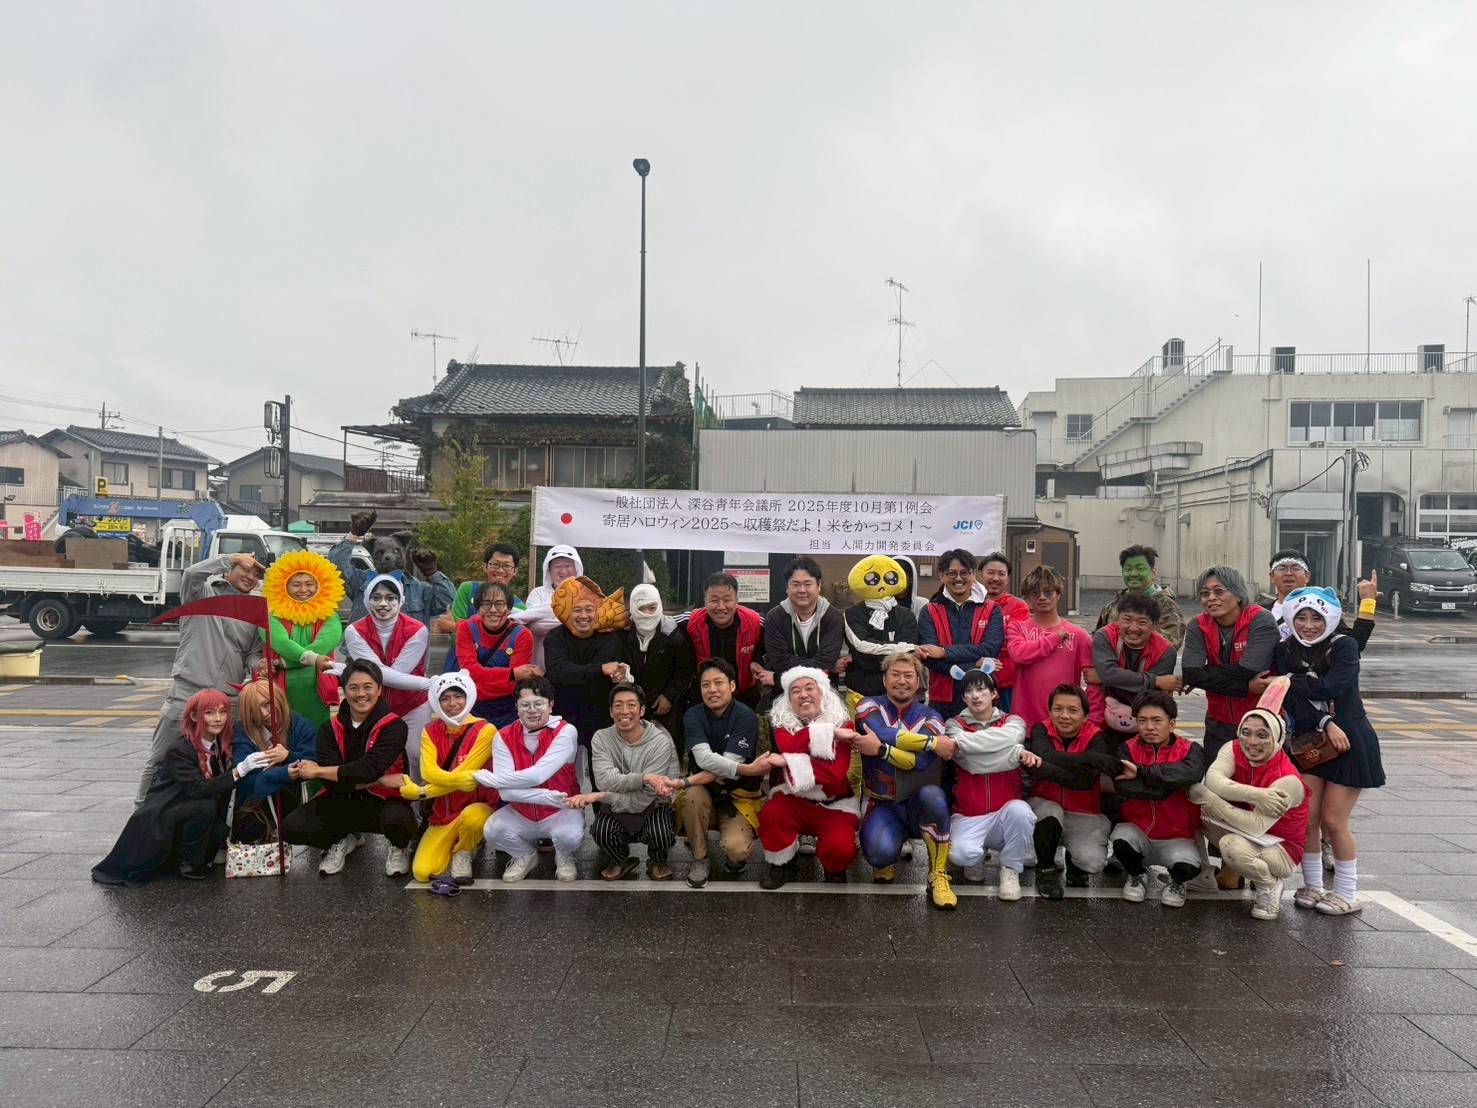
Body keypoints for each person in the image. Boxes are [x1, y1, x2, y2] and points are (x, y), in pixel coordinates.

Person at [1275, 587, 1385, 916]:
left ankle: (1347, 892)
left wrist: (1289, 679)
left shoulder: (1344, 645)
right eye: (1301, 618)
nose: (1309, 625)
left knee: (1333, 820)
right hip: (1311, 740)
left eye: (1317, 618)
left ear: (1331, 618)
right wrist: (1324, 720)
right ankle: (1312, 885)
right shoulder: (1284, 649)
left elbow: (1332, 686)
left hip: (1349, 739)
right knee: (1307, 819)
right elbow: (1291, 700)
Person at [95, 691, 265, 885]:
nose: (218, 719)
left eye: (223, 712)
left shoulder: (220, 743)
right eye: (209, 713)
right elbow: (198, 789)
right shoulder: (181, 749)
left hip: (189, 809)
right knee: (205, 806)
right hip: (165, 811)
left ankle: (191, 858)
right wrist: (239, 771)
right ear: (194, 716)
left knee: (219, 825)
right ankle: (189, 865)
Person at [135, 552, 265, 804]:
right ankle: (141, 811)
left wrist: (258, 666)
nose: (251, 576)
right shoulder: (201, 594)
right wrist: (230, 557)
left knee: (222, 761)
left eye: (257, 573)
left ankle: (212, 816)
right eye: (245, 569)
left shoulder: (254, 610)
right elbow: (192, 573)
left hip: (227, 700)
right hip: (187, 692)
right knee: (159, 758)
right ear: (229, 569)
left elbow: (252, 654)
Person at [281, 659, 418, 877]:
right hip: (341, 799)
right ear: (344, 690)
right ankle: (341, 838)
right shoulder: (328, 728)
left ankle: (398, 846)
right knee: (291, 827)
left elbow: (368, 769)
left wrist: (318, 771)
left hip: (384, 800)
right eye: (353, 687)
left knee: (399, 822)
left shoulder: (395, 726)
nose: (361, 694)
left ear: (379, 689)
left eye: (367, 687)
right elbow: (332, 784)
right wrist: (380, 779)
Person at [1190, 686, 1309, 922]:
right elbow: (1213, 779)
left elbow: (1255, 826)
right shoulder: (1233, 748)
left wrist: (1212, 801)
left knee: (1231, 846)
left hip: (1281, 849)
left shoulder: (1287, 780)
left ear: (1277, 739)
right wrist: (1257, 795)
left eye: (1262, 735)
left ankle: (1269, 886)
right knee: (1189, 807)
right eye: (1246, 732)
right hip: (1247, 832)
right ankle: (1203, 875)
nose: (1252, 741)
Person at [854, 652, 954, 907]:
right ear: (884, 679)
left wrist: (881, 750)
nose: (901, 681)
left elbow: (919, 763)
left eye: (908, 675)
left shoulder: (933, 716)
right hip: (883, 803)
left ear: (918, 681)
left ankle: (938, 874)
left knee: (934, 797)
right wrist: (932, 743)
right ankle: (891, 851)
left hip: (917, 804)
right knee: (879, 856)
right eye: (895, 675)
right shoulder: (867, 705)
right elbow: (880, 731)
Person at [935, 668, 1037, 902]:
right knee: (961, 856)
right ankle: (977, 855)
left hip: (1004, 813)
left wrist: (975, 747)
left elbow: (1010, 737)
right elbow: (969, 762)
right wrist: (1014, 754)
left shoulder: (1013, 721)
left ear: (994, 694)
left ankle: (1010, 869)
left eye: (981, 689)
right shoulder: (953, 724)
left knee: (1021, 812)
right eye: (969, 691)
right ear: (963, 698)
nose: (975, 696)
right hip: (968, 814)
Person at [756, 667, 860, 889]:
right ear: (789, 699)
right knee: (771, 814)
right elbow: (789, 745)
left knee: (841, 847)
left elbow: (834, 774)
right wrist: (830, 733)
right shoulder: (783, 723)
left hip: (834, 804)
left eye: (809, 688)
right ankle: (782, 864)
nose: (803, 694)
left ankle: (834, 869)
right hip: (793, 799)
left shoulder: (844, 724)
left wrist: (787, 761)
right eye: (795, 691)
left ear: (822, 692)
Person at [567, 683, 682, 881]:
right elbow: (604, 780)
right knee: (601, 832)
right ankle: (619, 860)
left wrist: (601, 796)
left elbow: (647, 796)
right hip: (616, 807)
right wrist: (643, 778)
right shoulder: (601, 738)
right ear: (611, 712)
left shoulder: (660, 741)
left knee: (662, 833)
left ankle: (657, 860)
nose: (624, 711)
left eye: (631, 705)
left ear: (642, 710)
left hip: (652, 804)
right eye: (618, 705)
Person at [475, 677, 584, 883]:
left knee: (569, 837)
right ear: (516, 707)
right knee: (493, 831)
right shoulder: (503, 736)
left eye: (538, 704)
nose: (532, 710)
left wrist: (496, 780)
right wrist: (545, 796)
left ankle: (564, 855)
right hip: (523, 810)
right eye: (525, 705)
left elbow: (538, 774)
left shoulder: (566, 731)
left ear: (550, 705)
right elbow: (506, 793)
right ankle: (524, 855)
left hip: (560, 809)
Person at [397, 671, 499, 885]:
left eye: (458, 696)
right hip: (442, 812)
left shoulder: (486, 730)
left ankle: (465, 849)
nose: (452, 703)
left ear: (469, 695)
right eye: (444, 698)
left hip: (477, 806)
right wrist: (456, 781)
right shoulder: (429, 730)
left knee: (473, 819)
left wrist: (421, 792)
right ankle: (456, 842)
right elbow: (430, 773)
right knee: (422, 872)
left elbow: (467, 774)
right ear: (436, 701)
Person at [1109, 689, 1206, 908]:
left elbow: (1190, 774)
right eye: (1142, 720)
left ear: (1171, 724)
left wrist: (1142, 773)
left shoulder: (1191, 750)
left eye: (1157, 720)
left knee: (1188, 867)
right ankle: (1137, 875)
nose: (1149, 727)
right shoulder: (1126, 749)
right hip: (1137, 831)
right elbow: (1124, 786)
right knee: (1120, 840)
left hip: (1177, 836)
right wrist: (1169, 787)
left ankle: (1177, 883)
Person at [1026, 684, 1120, 899]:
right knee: (1050, 812)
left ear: (1086, 716)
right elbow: (1043, 758)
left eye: (1073, 710)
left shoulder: (1097, 736)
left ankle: (1075, 864)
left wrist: (1048, 767)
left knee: (1091, 862)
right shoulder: (1041, 728)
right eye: (1058, 709)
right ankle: (1045, 869)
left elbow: (1085, 782)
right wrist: (1089, 758)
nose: (1064, 716)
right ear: (1050, 711)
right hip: (1046, 806)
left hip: (1084, 812)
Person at [679, 658, 767, 887]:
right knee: (691, 796)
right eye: (705, 685)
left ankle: (733, 849)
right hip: (704, 793)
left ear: (732, 686)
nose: (712, 689)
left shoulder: (745, 716)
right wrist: (746, 769)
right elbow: (703, 759)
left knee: (736, 850)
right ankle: (700, 858)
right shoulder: (693, 715)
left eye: (718, 683)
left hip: (737, 798)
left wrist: (685, 781)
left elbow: (727, 766)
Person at [1181, 565, 1279, 763]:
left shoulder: (1260, 619)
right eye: (1205, 593)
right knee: (1216, 778)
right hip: (1218, 721)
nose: (1211, 598)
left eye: (1219, 591)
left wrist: (1202, 675)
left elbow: (1247, 669)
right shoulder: (1197, 625)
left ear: (1238, 594)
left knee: (1262, 779)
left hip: (1262, 721)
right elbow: (1190, 674)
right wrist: (1246, 687)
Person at [341, 575, 433, 782]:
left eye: (390, 598)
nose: (383, 604)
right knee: (372, 756)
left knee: (416, 755)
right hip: (372, 706)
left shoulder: (418, 630)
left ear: (400, 600)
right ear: (367, 600)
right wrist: (426, 683)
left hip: (413, 705)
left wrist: (346, 670)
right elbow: (377, 674)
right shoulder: (354, 631)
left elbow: (393, 672)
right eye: (376, 597)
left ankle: (418, 800)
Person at [262, 550, 346, 729]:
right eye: (296, 584)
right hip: (280, 691)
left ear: (319, 584)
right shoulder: (270, 614)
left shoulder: (329, 615)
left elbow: (323, 645)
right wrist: (313, 659)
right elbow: (280, 643)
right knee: (282, 732)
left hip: (317, 692)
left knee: (318, 735)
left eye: (309, 584)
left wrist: (284, 663)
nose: (303, 590)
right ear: (283, 585)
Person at [543, 575, 627, 751]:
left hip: (599, 717)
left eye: (589, 610)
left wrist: (589, 672)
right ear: (567, 612)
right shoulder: (555, 637)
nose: (583, 616)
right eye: (576, 610)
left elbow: (597, 678)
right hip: (561, 716)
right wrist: (600, 669)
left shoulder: (610, 639)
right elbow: (557, 672)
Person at [918, 549, 1005, 719]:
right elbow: (928, 656)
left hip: (983, 697)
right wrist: (974, 664)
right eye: (952, 573)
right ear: (941, 576)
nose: (958, 578)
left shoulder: (992, 609)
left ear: (974, 574)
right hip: (942, 700)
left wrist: (944, 652)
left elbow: (990, 649)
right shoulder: (929, 610)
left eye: (965, 573)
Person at [1090, 591, 1180, 754]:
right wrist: (1155, 681)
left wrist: (1106, 679)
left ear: (1154, 625)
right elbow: (1109, 675)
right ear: (1118, 620)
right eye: (1127, 620)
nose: (1133, 628)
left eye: (1142, 622)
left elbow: (1150, 697)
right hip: (1102, 719)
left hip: (1144, 724)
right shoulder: (1104, 636)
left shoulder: (1166, 651)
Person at [1006, 565, 1093, 730]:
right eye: (1035, 593)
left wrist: (1092, 719)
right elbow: (1019, 655)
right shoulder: (1017, 628)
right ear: (1028, 598)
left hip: (1064, 724)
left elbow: (1093, 681)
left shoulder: (1079, 635)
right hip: (1024, 723)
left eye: (1048, 592)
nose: (1042, 597)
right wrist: (1054, 638)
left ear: (1058, 594)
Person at [330, 511, 444, 625]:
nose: (388, 556)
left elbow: (445, 602)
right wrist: (353, 535)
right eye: (380, 552)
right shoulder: (360, 583)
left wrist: (432, 573)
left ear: (403, 553)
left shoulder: (420, 589)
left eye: (395, 551)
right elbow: (336, 565)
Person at [229, 679, 317, 822]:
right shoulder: (243, 732)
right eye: (254, 709)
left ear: (279, 698)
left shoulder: (302, 726)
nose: (264, 714)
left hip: (293, 804)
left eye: (267, 704)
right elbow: (245, 780)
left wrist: (288, 756)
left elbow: (313, 766)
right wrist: (283, 773)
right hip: (254, 807)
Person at [679, 572, 768, 711]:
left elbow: (774, 646)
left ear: (736, 601)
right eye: (714, 601)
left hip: (745, 696)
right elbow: (661, 622)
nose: (721, 607)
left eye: (727, 600)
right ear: (705, 601)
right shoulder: (691, 621)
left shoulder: (756, 622)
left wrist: (758, 660)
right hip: (705, 697)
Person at [455, 581, 538, 727]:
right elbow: (469, 671)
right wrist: (512, 674)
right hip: (472, 707)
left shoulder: (522, 635)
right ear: (477, 608)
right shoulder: (466, 628)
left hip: (509, 708)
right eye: (486, 604)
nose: (493, 610)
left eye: (499, 604)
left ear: (509, 608)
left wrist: (478, 683)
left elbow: (513, 685)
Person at [841, 555, 920, 701]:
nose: (881, 584)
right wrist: (901, 648)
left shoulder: (906, 615)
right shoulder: (852, 613)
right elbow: (862, 646)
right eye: (872, 578)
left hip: (898, 694)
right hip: (860, 691)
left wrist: (864, 657)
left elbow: (906, 656)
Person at [435, 542, 525, 667]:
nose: (500, 570)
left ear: (515, 571)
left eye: (506, 566)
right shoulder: (467, 589)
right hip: (458, 665)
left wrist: (453, 626)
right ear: (485, 566)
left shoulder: (519, 607)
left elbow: (509, 641)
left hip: (495, 669)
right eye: (495, 564)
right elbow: (456, 637)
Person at [1266, 549, 1376, 650]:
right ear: (1272, 576)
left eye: (1296, 568)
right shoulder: (1261, 613)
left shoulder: (1323, 609)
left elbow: (1355, 644)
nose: (1288, 573)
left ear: (1307, 576)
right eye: (1281, 568)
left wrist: (1368, 602)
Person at [622, 583, 692, 742]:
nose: (647, 614)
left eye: (652, 608)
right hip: (630, 706)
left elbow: (684, 670)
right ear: (633, 608)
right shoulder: (622, 634)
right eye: (641, 609)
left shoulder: (673, 635)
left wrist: (669, 696)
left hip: (665, 709)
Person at [764, 556, 845, 683]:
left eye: (808, 584)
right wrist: (823, 666)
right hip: (785, 688)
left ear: (819, 585)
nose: (802, 590)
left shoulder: (833, 617)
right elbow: (779, 662)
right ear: (787, 587)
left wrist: (777, 676)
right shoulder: (774, 617)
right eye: (795, 584)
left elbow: (826, 661)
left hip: (824, 688)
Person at [1094, 544, 1187, 648]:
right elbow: (1099, 641)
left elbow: (1168, 646)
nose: (1133, 574)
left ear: (1153, 573)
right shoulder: (1112, 606)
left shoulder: (1166, 606)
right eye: (1128, 569)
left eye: (1140, 569)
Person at [509, 544, 583, 667]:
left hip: (575, 663)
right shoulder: (538, 593)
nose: (563, 571)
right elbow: (535, 627)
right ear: (549, 570)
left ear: (577, 568)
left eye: (568, 566)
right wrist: (574, 621)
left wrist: (533, 616)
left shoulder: (586, 593)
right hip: (540, 665)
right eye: (557, 566)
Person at [976, 552, 1030, 712]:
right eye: (990, 573)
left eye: (1001, 574)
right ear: (980, 575)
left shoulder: (1018, 606)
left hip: (1008, 683)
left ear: (1007, 578)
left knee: (1008, 724)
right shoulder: (971, 603)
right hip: (975, 680)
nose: (995, 578)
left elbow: (1016, 642)